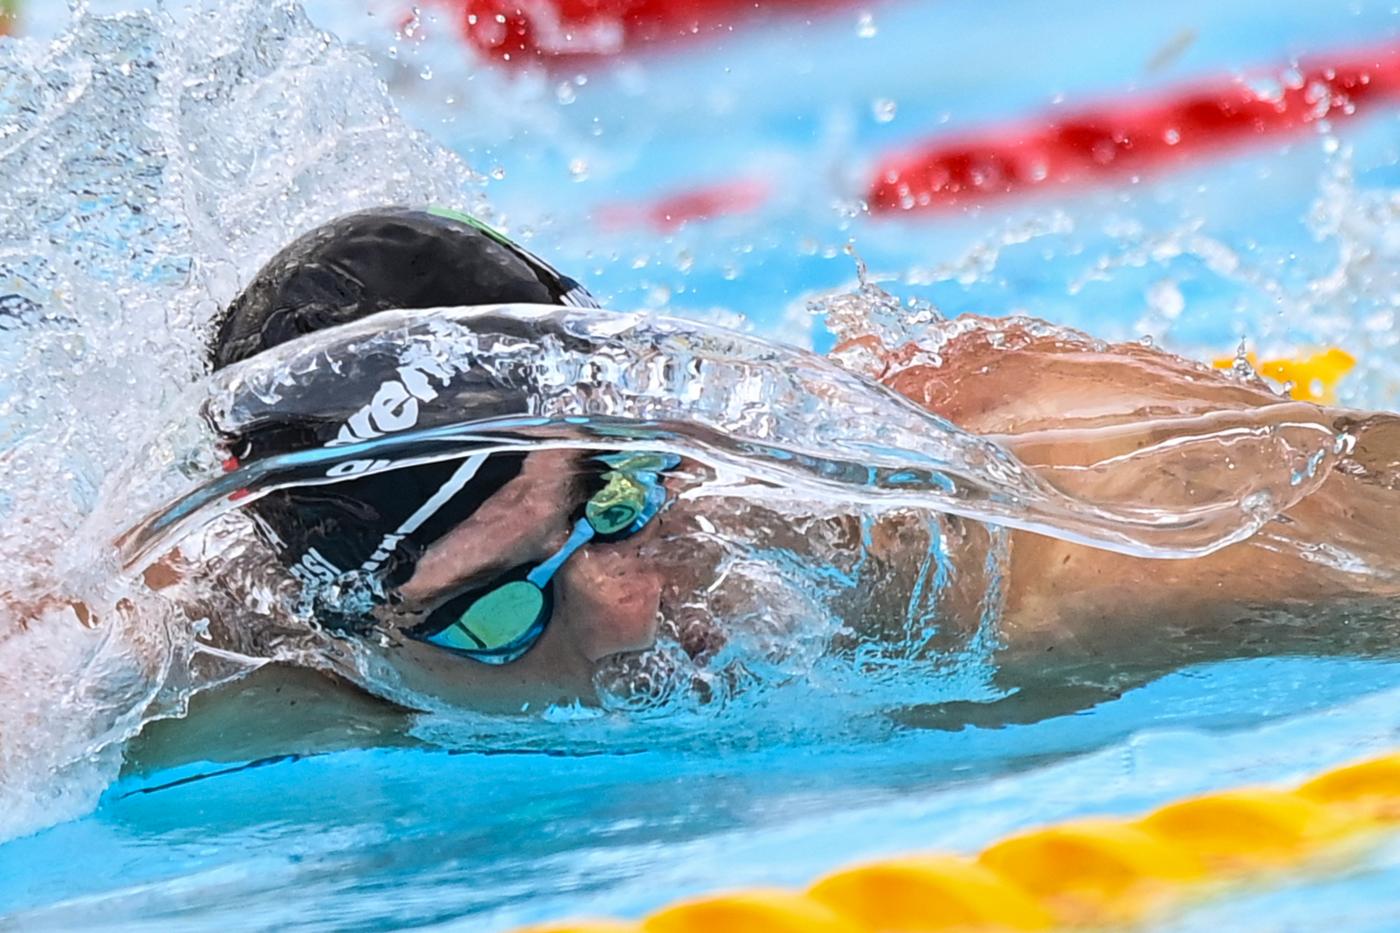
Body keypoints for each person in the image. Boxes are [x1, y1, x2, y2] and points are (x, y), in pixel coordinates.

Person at [177, 206, 1400, 732]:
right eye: (490, 612)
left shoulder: (1091, 544)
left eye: (618, 500)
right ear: (357, 628)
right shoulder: (286, 676)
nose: (624, 614)